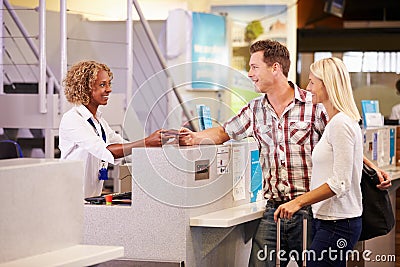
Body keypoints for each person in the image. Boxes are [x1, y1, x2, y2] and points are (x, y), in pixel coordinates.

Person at [178, 40, 391, 267]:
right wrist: (194, 138)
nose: (249, 74)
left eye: (254, 67)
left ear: (275, 68)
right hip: (274, 211)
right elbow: (223, 132)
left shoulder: (315, 103)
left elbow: (343, 143)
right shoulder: (254, 109)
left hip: (309, 209)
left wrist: (371, 166)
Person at [274, 57, 363, 266]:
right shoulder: (336, 122)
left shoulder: (341, 124)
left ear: (328, 85)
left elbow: (339, 183)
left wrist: (297, 202)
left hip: (338, 223)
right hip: (327, 219)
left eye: (313, 82)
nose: (308, 88)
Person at [59, 60, 163, 198]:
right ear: (86, 88)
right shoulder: (72, 119)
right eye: (102, 85)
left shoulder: (99, 122)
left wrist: (165, 146)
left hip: (89, 198)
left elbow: (125, 146)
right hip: (69, 200)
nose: (109, 89)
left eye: (109, 84)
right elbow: (105, 151)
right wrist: (147, 142)